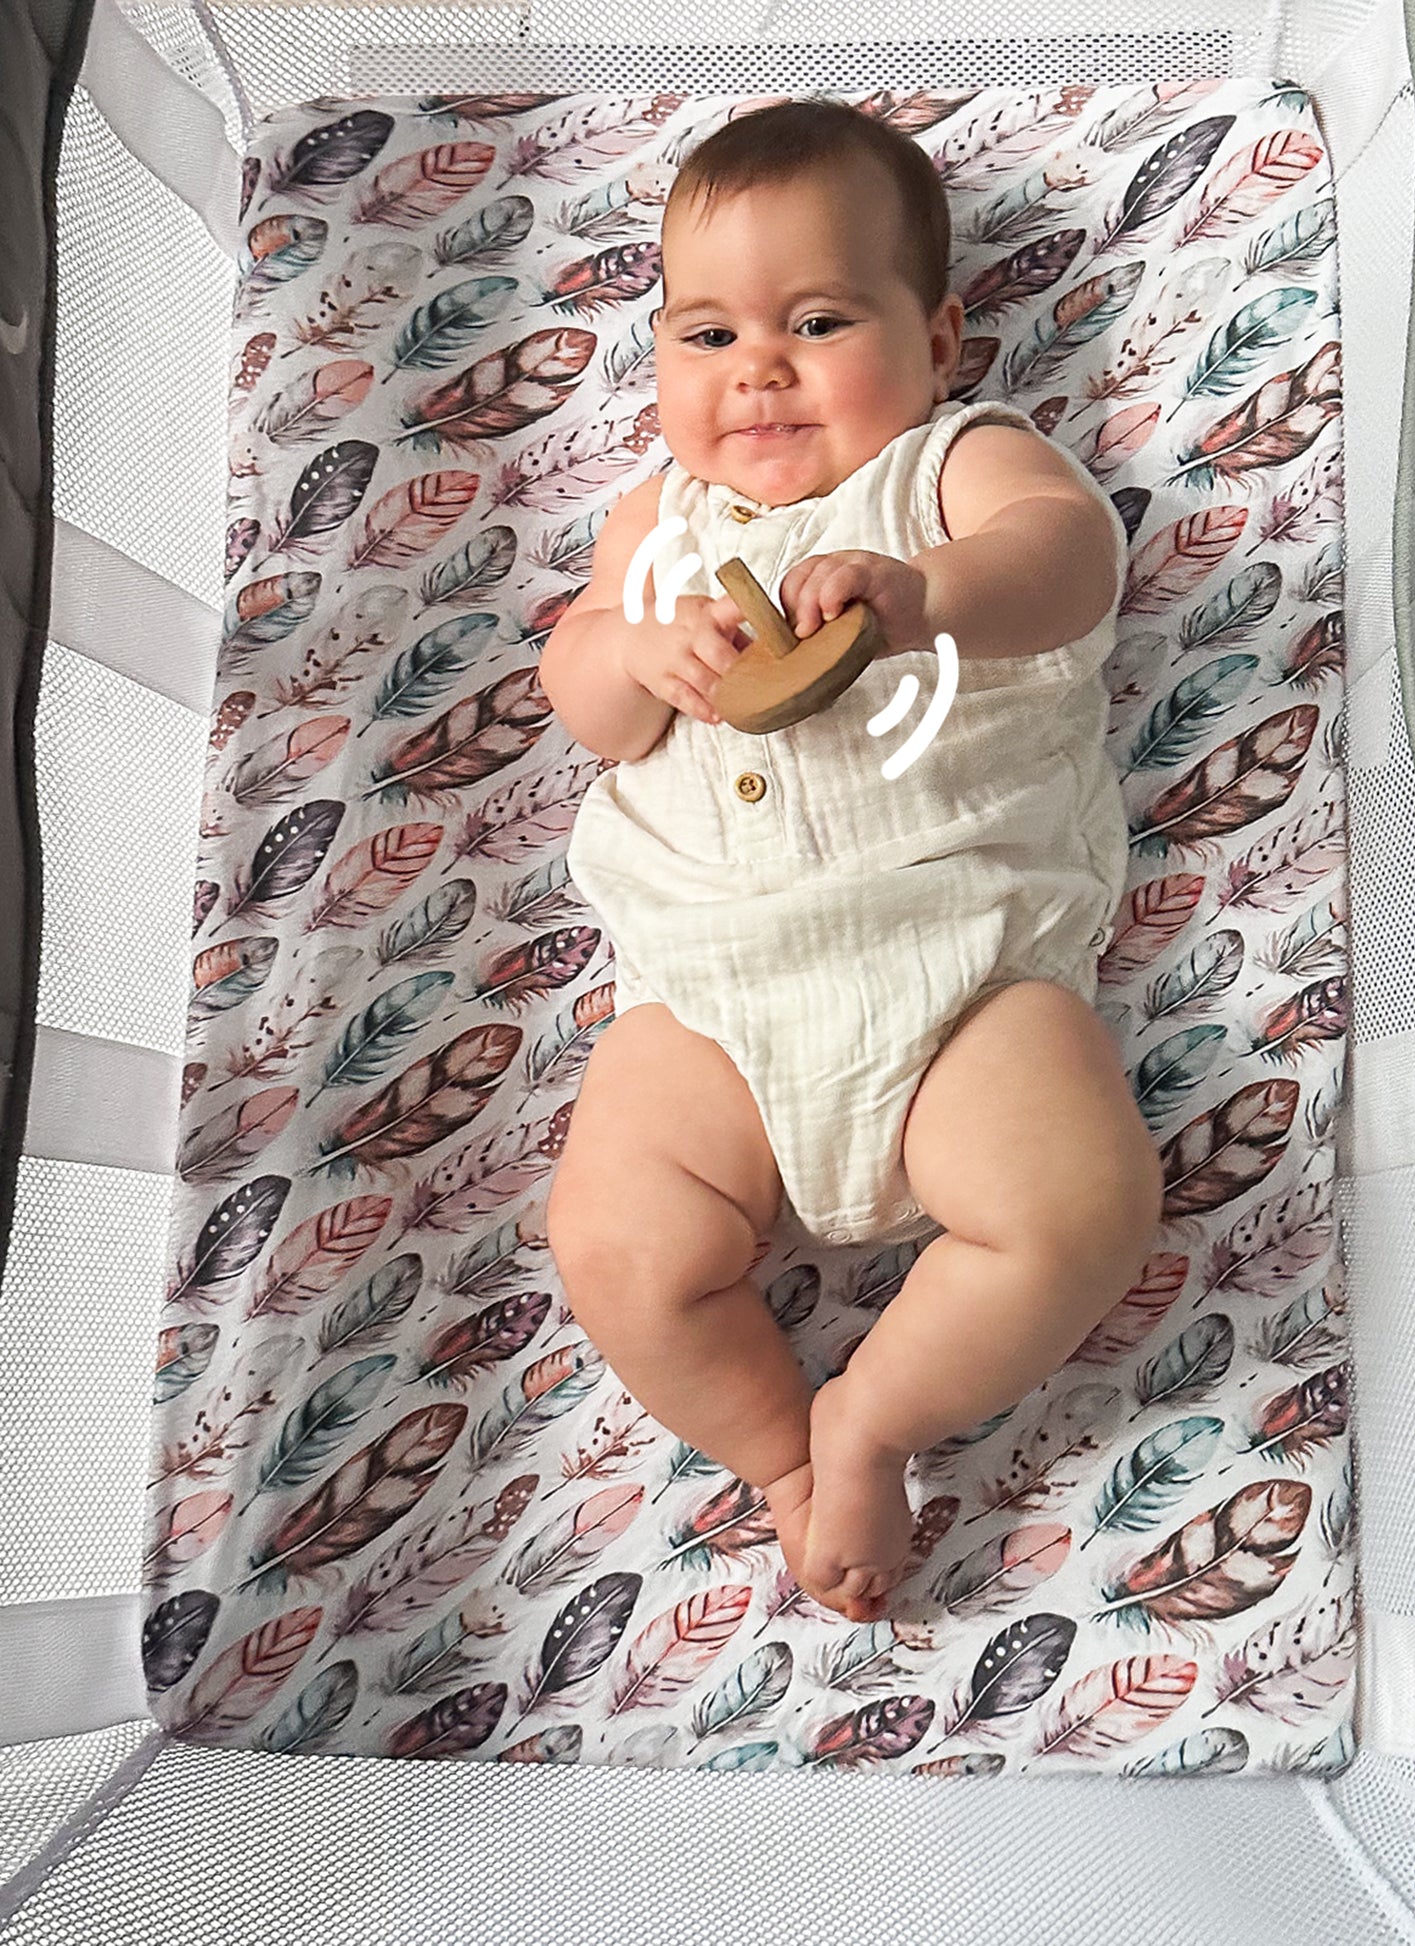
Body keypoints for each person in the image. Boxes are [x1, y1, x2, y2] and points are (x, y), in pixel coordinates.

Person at [539, 97, 1162, 1626]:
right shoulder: (662, 528)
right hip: (710, 1003)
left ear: (939, 340)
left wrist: (923, 592)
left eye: (817, 320)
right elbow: (579, 696)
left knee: (1079, 1205)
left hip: (959, 971)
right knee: (613, 1242)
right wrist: (640, 647)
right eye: (703, 335)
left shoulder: (955, 464)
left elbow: (1071, 562)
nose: (757, 368)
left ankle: (873, 1414)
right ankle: (779, 1454)